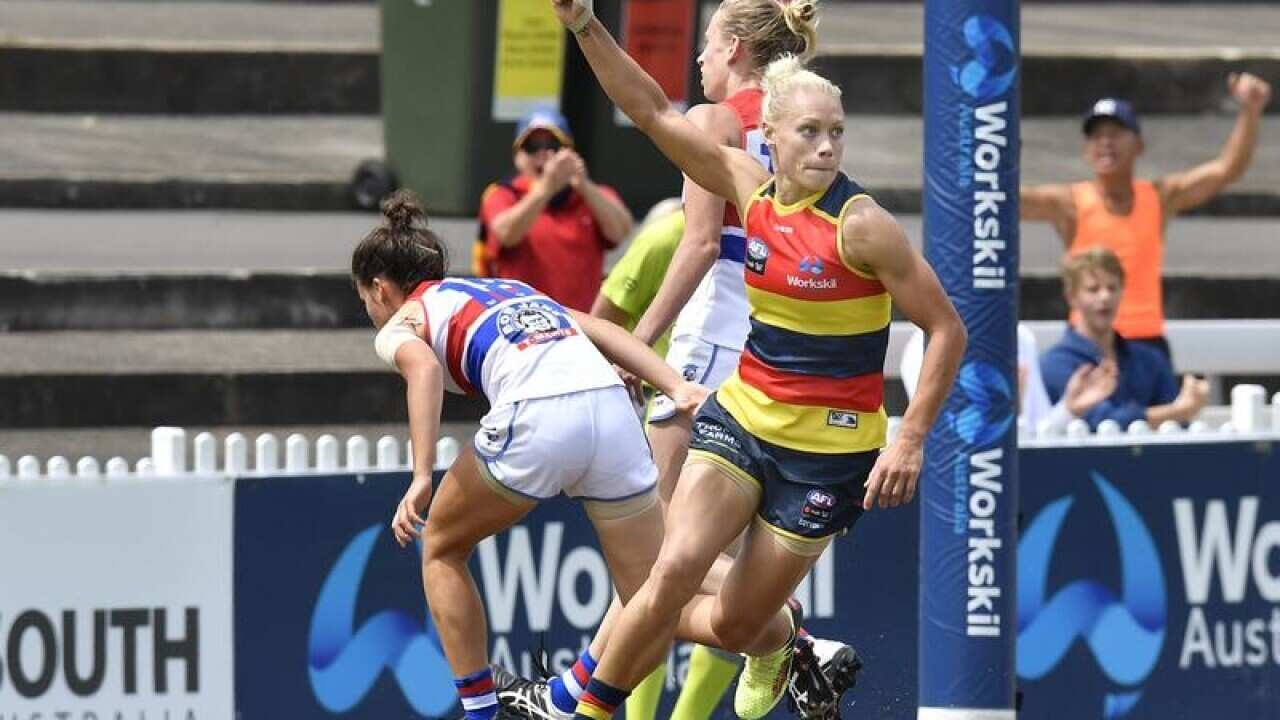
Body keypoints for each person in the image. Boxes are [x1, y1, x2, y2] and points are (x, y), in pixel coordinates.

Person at [534, 4, 968, 720]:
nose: (827, 148)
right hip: (741, 418)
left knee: (735, 623)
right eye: (809, 132)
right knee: (669, 568)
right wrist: (583, 22)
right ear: (769, 135)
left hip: (829, 452)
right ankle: (586, 708)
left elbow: (946, 329)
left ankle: (780, 641)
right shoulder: (747, 188)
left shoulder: (863, 228)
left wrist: (913, 436)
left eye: (836, 134)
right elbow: (646, 108)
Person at [353, 190, 721, 720]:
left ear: (381, 288)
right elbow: (604, 332)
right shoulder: (509, 289)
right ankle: (772, 628)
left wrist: (420, 475)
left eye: (365, 299)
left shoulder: (400, 321)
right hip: (612, 412)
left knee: (441, 547)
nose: (369, 311)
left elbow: (426, 371)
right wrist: (676, 385)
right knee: (652, 601)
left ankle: (482, 712)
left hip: (539, 415)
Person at [1021, 73, 1272, 358]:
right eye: (1096, 135)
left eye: (1115, 133)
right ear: (1086, 150)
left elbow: (1227, 170)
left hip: (1145, 342)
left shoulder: (1158, 197)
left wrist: (1250, 112)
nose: (1105, 142)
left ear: (1139, 145)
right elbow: (1004, 200)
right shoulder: (1069, 203)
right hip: (1088, 342)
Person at [478, 107, 634, 311]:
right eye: (532, 147)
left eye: (553, 145)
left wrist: (585, 186)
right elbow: (506, 234)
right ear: (518, 157)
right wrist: (547, 187)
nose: (543, 154)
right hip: (523, 322)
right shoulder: (503, 194)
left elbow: (621, 232)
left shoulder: (592, 195)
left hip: (580, 324)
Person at [1040, 248, 1208, 430]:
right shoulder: (1054, 363)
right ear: (1072, 297)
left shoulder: (1149, 359)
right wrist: (1178, 411)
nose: (1105, 297)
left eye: (1112, 288)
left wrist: (1185, 404)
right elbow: (1103, 423)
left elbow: (1178, 426)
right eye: (1093, 289)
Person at [901, 323, 1118, 433]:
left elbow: (1037, 430)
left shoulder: (1020, 336)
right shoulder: (921, 346)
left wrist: (1069, 409)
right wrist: (1005, 411)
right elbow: (938, 442)